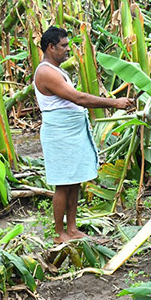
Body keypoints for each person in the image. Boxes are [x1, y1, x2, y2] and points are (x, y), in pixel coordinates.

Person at [34, 26, 132, 242]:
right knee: (63, 183)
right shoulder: (46, 72)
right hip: (60, 133)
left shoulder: (56, 69)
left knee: (74, 180)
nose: (68, 50)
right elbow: (78, 98)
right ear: (51, 47)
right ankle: (60, 233)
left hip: (70, 131)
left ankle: (72, 228)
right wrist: (114, 102)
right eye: (63, 46)